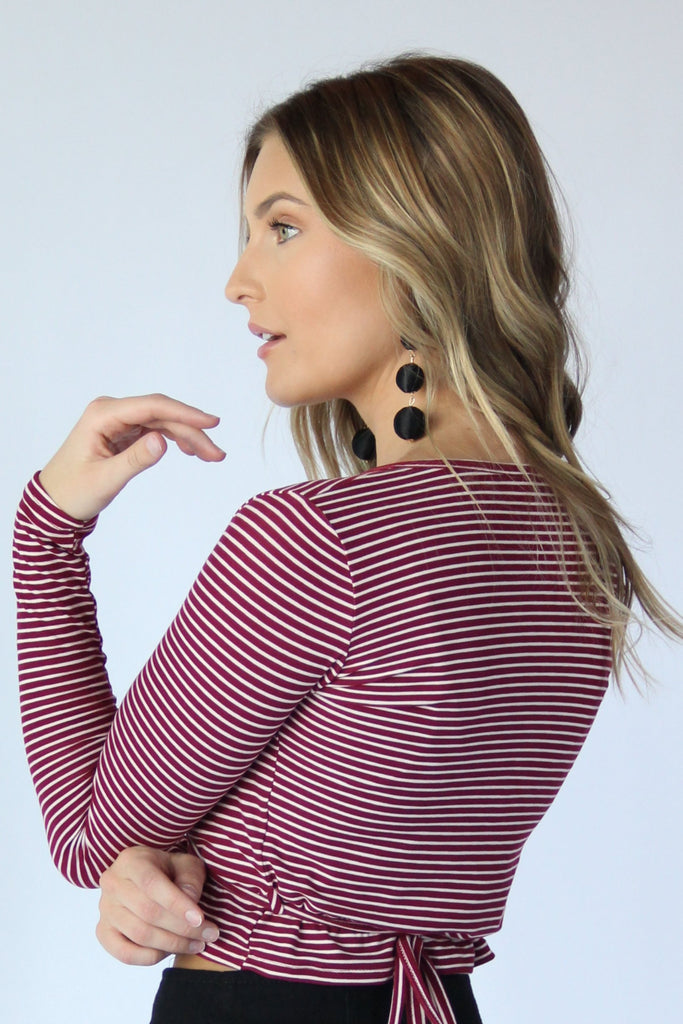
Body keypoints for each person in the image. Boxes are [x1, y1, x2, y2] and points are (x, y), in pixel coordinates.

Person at [13, 52, 682, 1024]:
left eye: (282, 228)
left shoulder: (319, 541)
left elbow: (87, 834)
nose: (238, 280)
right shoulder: (580, 547)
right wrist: (157, 866)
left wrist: (45, 534)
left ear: (417, 241)